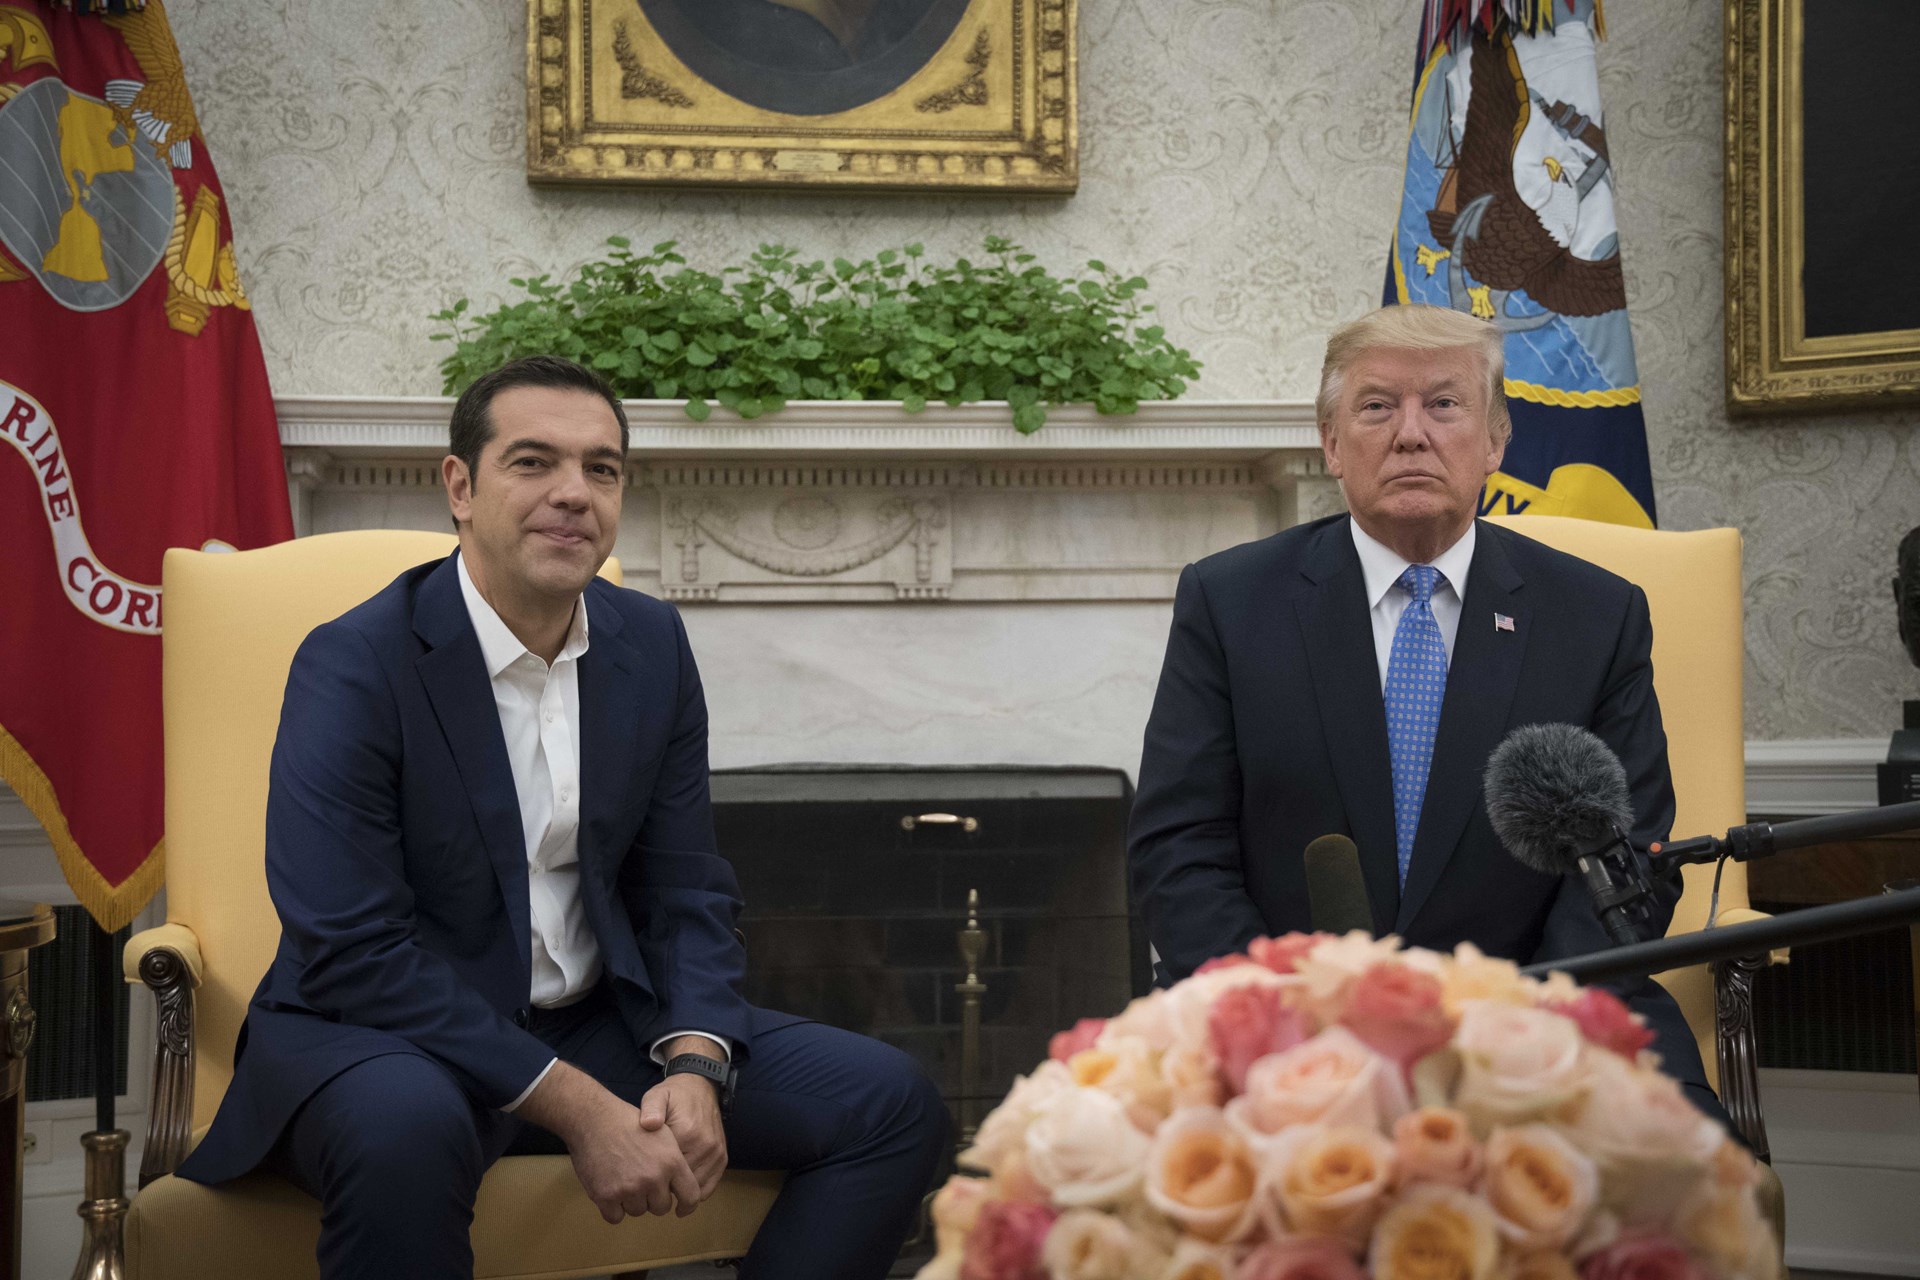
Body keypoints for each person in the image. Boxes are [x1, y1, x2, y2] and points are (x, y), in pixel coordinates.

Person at [176, 355, 948, 1279]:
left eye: (602, 468)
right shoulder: (355, 663)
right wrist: (578, 1108)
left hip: (593, 1021)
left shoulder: (651, 644)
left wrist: (696, 1061)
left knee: (891, 1104)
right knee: (404, 1133)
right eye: (533, 462)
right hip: (384, 1036)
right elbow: (352, 949)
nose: (574, 493)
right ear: (460, 487)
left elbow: (684, 886)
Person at [1127, 303, 1721, 1120]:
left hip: (1542, 1012)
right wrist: (1284, 1021)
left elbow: (1624, 863)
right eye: (1377, 407)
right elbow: (1178, 846)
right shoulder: (1229, 603)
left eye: (1443, 404)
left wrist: (1515, 1035)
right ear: (1332, 445)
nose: (1411, 434)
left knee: (1696, 1176)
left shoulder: (1597, 615)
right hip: (1283, 1021)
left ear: (1496, 441)